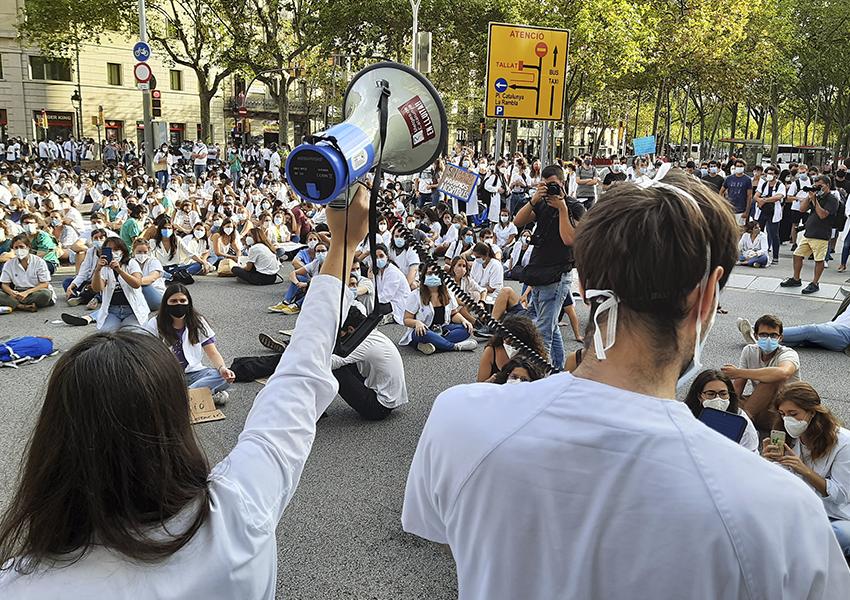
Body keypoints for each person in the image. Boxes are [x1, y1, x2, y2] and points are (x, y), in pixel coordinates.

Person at [402, 170, 850, 599]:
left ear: (581, 283)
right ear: (709, 295)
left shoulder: (459, 417)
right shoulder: (783, 513)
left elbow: (451, 538)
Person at [0, 185, 373, 599]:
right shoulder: (236, 510)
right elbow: (301, 373)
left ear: (55, 438)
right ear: (171, 420)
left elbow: (281, 372)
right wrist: (343, 244)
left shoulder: (22, 584)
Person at [763, 382, 850, 559]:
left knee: (837, 535)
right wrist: (766, 462)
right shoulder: (786, 435)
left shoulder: (843, 443)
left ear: (812, 412)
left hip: (838, 514)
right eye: (783, 414)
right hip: (801, 508)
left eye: (793, 414)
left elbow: (841, 495)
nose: (788, 419)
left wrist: (805, 471)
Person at [514, 165, 583, 370]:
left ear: (562, 183)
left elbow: (569, 238)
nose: (549, 189)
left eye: (553, 184)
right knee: (551, 329)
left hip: (557, 275)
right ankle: (558, 370)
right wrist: (535, 199)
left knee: (543, 332)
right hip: (539, 273)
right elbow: (518, 221)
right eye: (545, 185)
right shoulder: (541, 203)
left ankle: (536, 376)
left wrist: (562, 208)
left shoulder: (574, 206)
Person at [144, 284, 234, 406]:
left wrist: (222, 369)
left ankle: (184, 397)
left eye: (182, 301)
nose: (178, 304)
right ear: (166, 303)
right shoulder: (154, 324)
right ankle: (201, 396)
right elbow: (147, 355)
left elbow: (212, 352)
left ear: (188, 302)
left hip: (194, 373)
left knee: (223, 378)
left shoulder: (198, 321)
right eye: (174, 301)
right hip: (168, 376)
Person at [329, 306, 408, 420]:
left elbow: (329, 363)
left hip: (379, 408)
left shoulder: (361, 343)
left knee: (336, 370)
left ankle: (315, 408)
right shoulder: (368, 332)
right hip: (389, 397)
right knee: (343, 362)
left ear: (351, 329)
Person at [725, 314, 800, 432]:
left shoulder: (788, 354)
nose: (769, 339)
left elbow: (783, 373)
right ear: (756, 336)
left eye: (773, 335)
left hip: (784, 408)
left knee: (772, 379)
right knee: (720, 397)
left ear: (780, 338)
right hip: (760, 402)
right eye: (764, 335)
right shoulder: (749, 350)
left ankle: (741, 423)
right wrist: (729, 406)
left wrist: (739, 372)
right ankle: (740, 418)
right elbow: (738, 386)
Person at [399, 264, 477, 355]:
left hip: (442, 329)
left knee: (466, 329)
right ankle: (454, 346)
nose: (433, 276)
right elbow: (406, 319)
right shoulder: (415, 295)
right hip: (423, 331)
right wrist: (417, 323)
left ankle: (433, 344)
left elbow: (454, 314)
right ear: (423, 276)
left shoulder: (448, 293)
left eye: (436, 273)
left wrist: (464, 320)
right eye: (429, 273)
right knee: (424, 334)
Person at [781, 175, 839, 294]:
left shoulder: (832, 199)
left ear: (827, 185)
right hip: (809, 233)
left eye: (820, 185)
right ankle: (796, 279)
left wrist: (815, 201)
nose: (817, 188)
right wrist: (809, 196)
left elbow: (823, 215)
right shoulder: (816, 196)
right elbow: (802, 209)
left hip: (821, 234)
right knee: (797, 255)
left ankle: (815, 283)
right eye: (816, 185)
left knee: (818, 260)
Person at [740, 295, 850, 355]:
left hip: (845, 335)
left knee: (810, 330)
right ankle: (761, 343)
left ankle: (757, 333)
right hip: (834, 326)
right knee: (801, 339)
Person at [683, 369, 758, 451]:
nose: (718, 399)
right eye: (711, 394)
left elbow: (749, 456)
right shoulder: (686, 416)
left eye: (723, 394)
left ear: (729, 395)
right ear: (699, 396)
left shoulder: (742, 423)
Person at [476, 314, 547, 382]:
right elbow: (479, 385)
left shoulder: (534, 355)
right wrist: (490, 382)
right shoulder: (491, 351)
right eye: (505, 338)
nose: (507, 343)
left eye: (511, 342)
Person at [0, 234, 55, 312]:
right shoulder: (9, 264)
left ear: (28, 247)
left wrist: (26, 293)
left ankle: (14, 304)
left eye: (21, 247)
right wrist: (12, 293)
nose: (19, 250)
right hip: (18, 293)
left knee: (45, 294)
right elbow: (4, 285)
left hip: (35, 292)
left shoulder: (39, 261)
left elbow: (44, 284)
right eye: (16, 248)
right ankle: (21, 306)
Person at [269, 241, 327, 314]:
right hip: (311, 286)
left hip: (323, 290)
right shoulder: (315, 263)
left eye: (323, 251)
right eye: (318, 251)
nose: (320, 253)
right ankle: (286, 302)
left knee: (316, 289)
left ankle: (297, 305)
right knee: (299, 277)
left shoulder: (331, 264)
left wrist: (306, 284)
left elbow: (323, 282)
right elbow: (293, 273)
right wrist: (298, 283)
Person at [371, 243, 411, 325]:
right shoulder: (377, 271)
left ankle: (390, 316)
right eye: (376, 257)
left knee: (372, 307)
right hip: (385, 301)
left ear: (387, 256)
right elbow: (374, 290)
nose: (378, 259)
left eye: (381, 256)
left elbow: (386, 297)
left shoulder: (392, 272)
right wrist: (370, 278)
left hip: (397, 303)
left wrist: (370, 300)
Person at [754, 165, 786, 265]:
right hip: (762, 211)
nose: (769, 175)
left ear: (776, 175)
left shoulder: (780, 185)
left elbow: (779, 196)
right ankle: (759, 253)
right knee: (759, 231)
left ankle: (775, 257)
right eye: (768, 173)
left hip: (773, 212)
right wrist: (760, 200)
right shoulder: (763, 184)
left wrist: (765, 200)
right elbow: (756, 196)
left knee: (773, 234)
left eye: (772, 173)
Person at [132, 237, 165, 310]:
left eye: (145, 252)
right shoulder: (131, 262)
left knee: (144, 285)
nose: (142, 254)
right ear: (133, 251)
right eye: (139, 252)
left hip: (156, 295)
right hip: (138, 296)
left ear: (149, 251)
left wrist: (135, 282)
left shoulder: (153, 261)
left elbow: (152, 278)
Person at [719, 158, 752, 225]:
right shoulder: (729, 178)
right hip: (729, 209)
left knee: (740, 230)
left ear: (744, 167)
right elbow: (721, 191)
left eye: (741, 166)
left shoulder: (747, 179)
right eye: (737, 166)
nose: (739, 167)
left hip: (741, 210)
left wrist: (747, 211)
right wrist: (723, 203)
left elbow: (749, 196)